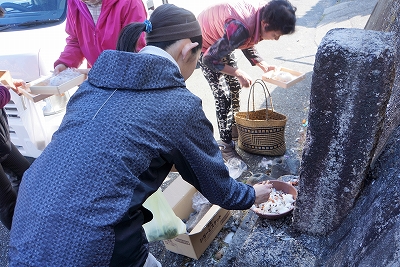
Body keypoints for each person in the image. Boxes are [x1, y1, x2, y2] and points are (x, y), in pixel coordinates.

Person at [9, 4, 273, 267]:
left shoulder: (91, 86)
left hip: (27, 222)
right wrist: (252, 194)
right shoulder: (179, 105)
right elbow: (220, 190)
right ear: (186, 50)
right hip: (92, 242)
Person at [197, 0, 297, 161]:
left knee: (235, 87)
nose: (276, 39)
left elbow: (248, 37)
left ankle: (233, 127)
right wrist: (237, 72)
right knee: (224, 96)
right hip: (205, 45)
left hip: (223, 39)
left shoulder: (260, 14)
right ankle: (226, 145)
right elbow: (210, 59)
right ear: (265, 24)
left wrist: (262, 64)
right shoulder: (241, 27)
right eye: (275, 35)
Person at [53, 0, 148, 74]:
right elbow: (75, 40)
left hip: (125, 77)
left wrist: (99, 73)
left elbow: (134, 53)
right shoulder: (74, 3)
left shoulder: (130, 3)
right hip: (96, 78)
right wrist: (65, 63)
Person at [0, 82, 31, 230]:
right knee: (6, 201)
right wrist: (4, 89)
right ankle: (24, 239)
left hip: (2, 142)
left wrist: (8, 82)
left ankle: (31, 218)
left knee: (27, 173)